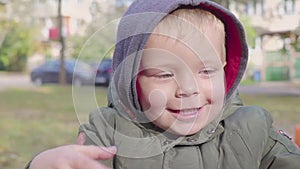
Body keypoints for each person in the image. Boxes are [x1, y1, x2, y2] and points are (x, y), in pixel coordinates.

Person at [26, 0, 300, 168]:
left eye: (206, 71)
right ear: (131, 80)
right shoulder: (108, 134)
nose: (188, 89)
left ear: (225, 70)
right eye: (165, 75)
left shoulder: (253, 130)